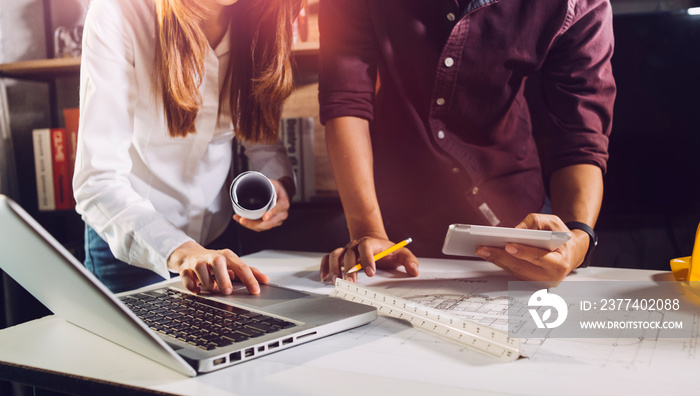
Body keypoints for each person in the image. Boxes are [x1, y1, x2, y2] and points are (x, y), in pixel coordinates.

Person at [317, 0, 615, 283]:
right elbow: (346, 99)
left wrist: (578, 237)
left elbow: (580, 136)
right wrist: (367, 229)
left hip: (519, 219)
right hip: (396, 217)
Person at [73, 0, 303, 294]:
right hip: (130, 247)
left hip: (221, 243)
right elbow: (97, 181)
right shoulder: (118, 11)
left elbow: (261, 135)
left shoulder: (262, 15)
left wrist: (279, 187)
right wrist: (183, 251)